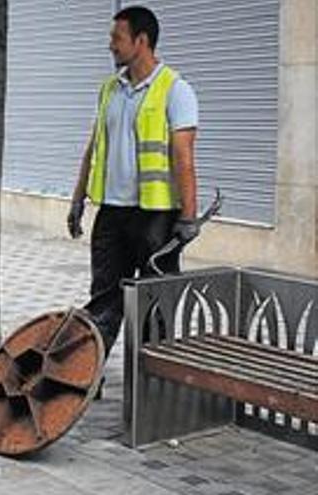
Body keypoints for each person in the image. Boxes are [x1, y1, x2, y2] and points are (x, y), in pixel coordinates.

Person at [68, 6, 199, 359]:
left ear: (141, 41)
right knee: (102, 300)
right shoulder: (109, 90)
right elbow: (93, 147)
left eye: (117, 38)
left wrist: (188, 216)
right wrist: (78, 198)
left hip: (155, 216)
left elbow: (183, 156)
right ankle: (85, 378)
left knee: (154, 302)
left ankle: (152, 388)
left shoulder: (175, 89)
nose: (110, 45)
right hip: (111, 212)